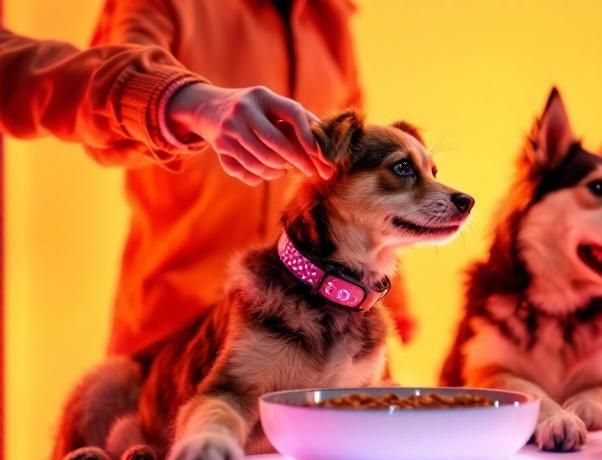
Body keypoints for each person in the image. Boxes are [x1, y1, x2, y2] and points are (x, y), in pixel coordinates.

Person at [86, 0, 416, 355]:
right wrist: (193, 105)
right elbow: (104, 102)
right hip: (175, 329)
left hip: (310, 330)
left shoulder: (329, 21)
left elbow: (360, 169)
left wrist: (394, 296)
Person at [0, 27, 325, 176]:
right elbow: (97, 108)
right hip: (174, 290)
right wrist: (196, 105)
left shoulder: (329, 24)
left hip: (286, 292)